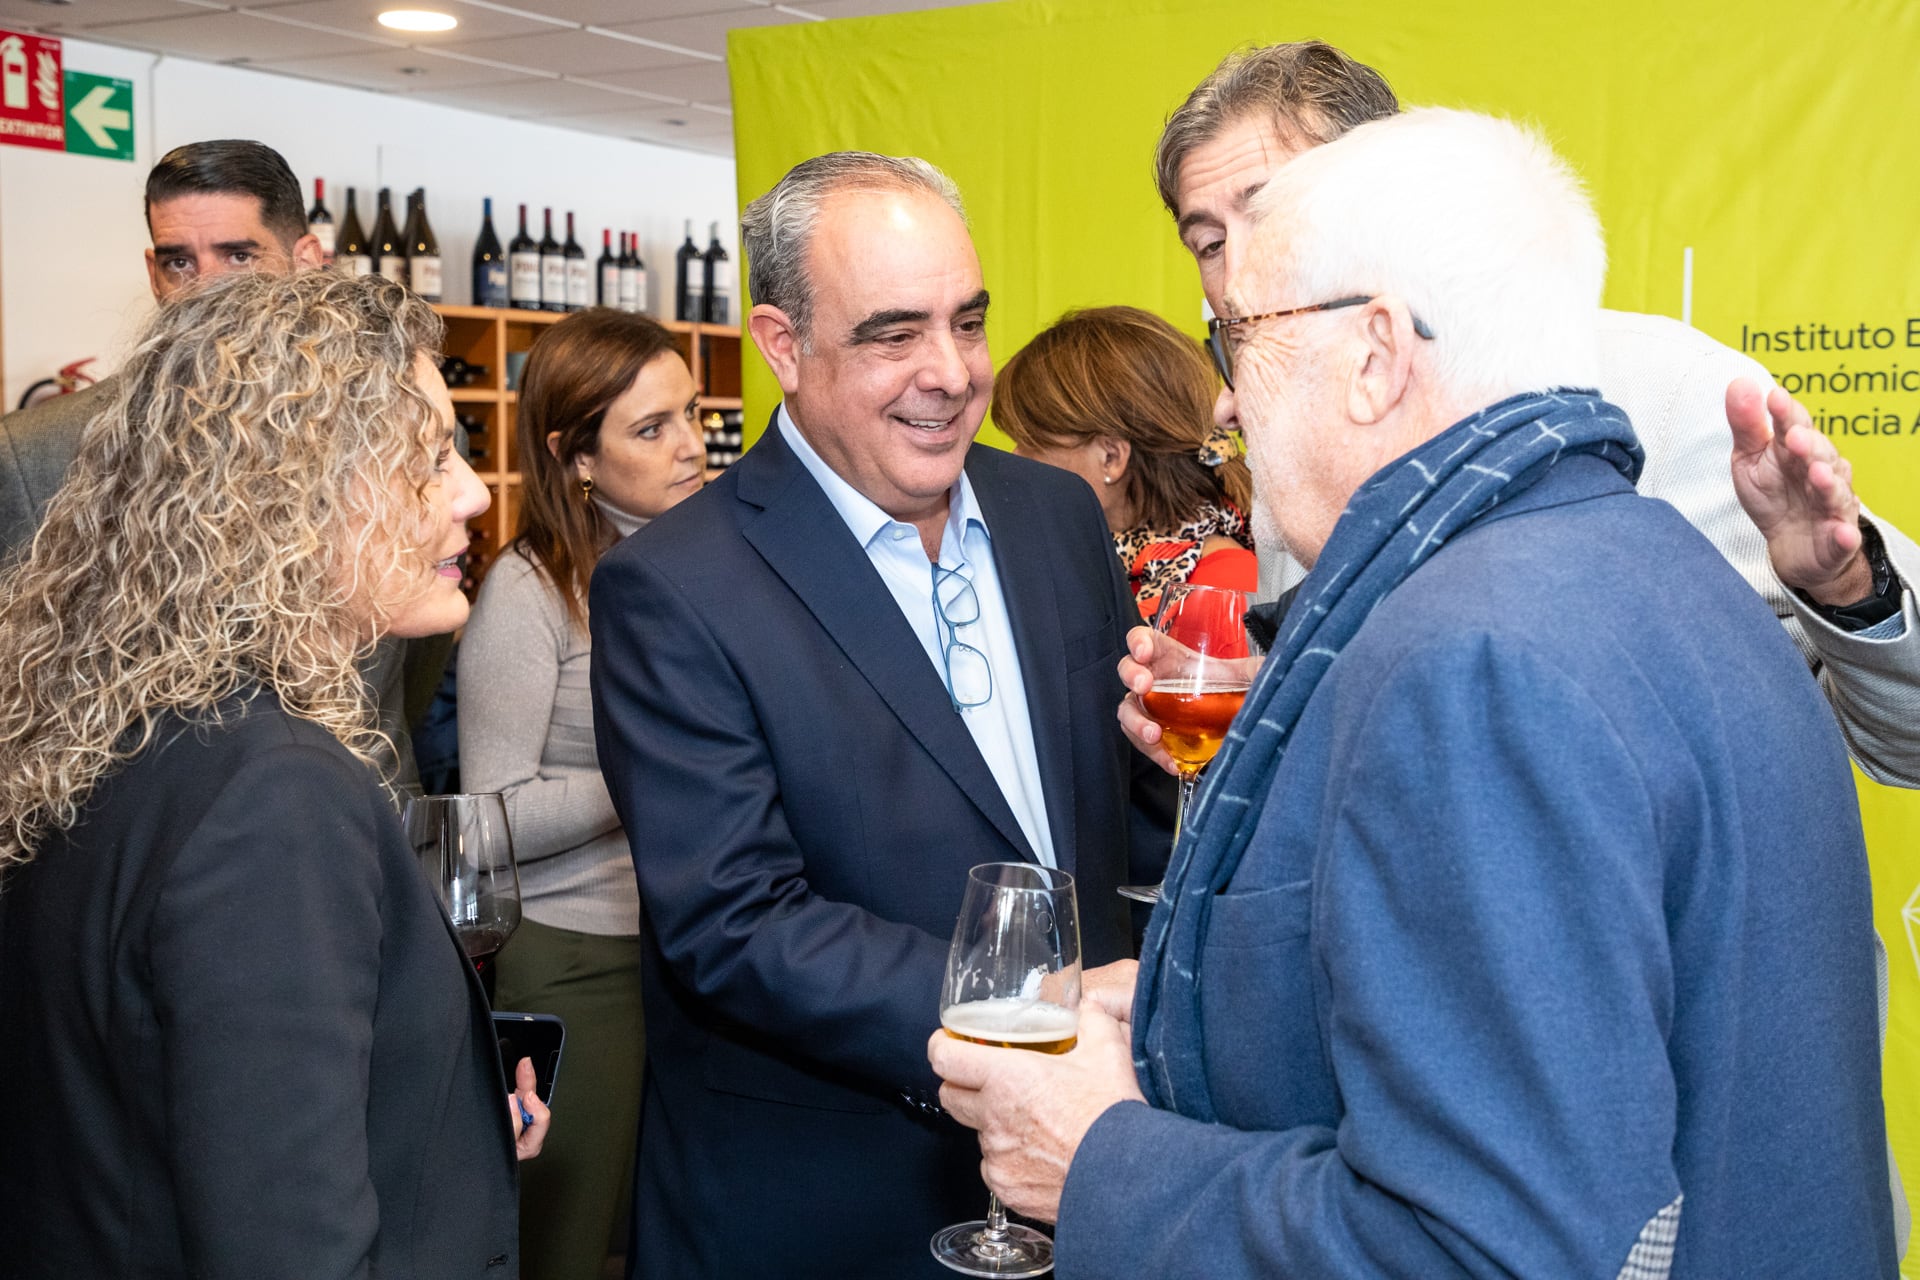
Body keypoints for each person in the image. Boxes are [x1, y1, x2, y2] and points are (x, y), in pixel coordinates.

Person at [932, 107, 1895, 1277]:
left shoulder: (1472, 661)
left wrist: (1100, 1156)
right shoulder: (1657, 561)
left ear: (1379, 350)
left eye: (1242, 338)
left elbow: (1468, 1247)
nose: (1226, 404)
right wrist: (1207, 1008)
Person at [587, 151, 1174, 1278]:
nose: (950, 373)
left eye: (969, 322)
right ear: (781, 345)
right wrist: (1036, 1008)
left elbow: (1125, 809)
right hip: (828, 1206)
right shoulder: (678, 586)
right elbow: (736, 922)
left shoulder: (1053, 514)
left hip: (1084, 1171)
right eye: (894, 334)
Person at [1139, 40, 1920, 785]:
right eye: (1208, 242)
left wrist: (1852, 590)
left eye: (1272, 209)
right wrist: (1268, 706)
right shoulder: (1296, 451)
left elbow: (1906, 746)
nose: (1235, 275)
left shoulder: (1676, 389)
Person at [0, 270, 550, 1277]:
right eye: (429, 460)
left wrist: (447, 1118)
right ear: (291, 494)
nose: (473, 492)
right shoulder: (277, 792)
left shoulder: (119, 723)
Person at [0, 138, 430, 792]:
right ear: (152, 272)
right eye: (179, 261)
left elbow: (399, 672)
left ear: (306, 261)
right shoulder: (35, 455)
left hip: (365, 824)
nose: (206, 287)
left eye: (238, 254)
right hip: (147, 855)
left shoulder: (375, 432)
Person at [459, 308, 705, 1280]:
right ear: (576, 457)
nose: (690, 445)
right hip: (576, 964)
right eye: (652, 429)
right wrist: (648, 763)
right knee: (566, 1246)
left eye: (689, 413)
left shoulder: (700, 563)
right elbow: (485, 821)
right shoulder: (530, 590)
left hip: (687, 954)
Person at [993, 305, 1255, 619]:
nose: (1015, 457)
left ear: (1112, 457)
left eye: (1032, 442)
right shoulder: (1097, 564)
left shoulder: (1224, 585)